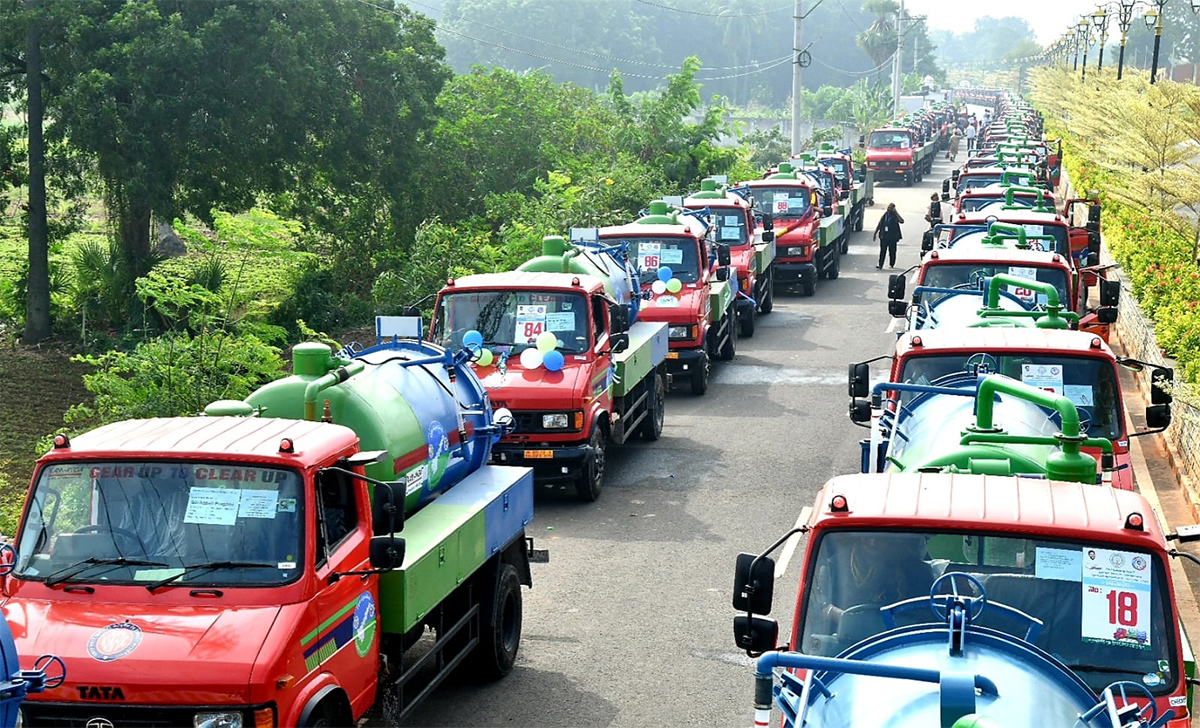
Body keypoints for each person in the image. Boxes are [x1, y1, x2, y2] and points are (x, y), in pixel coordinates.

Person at [874, 202, 904, 269]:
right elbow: (879, 224)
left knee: (892, 251)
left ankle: (892, 264)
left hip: (892, 237)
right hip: (884, 236)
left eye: (890, 208)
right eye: (888, 207)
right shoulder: (885, 215)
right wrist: (875, 233)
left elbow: (902, 221)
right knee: (882, 251)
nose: (889, 209)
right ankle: (880, 264)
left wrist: (896, 213)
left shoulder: (895, 216)